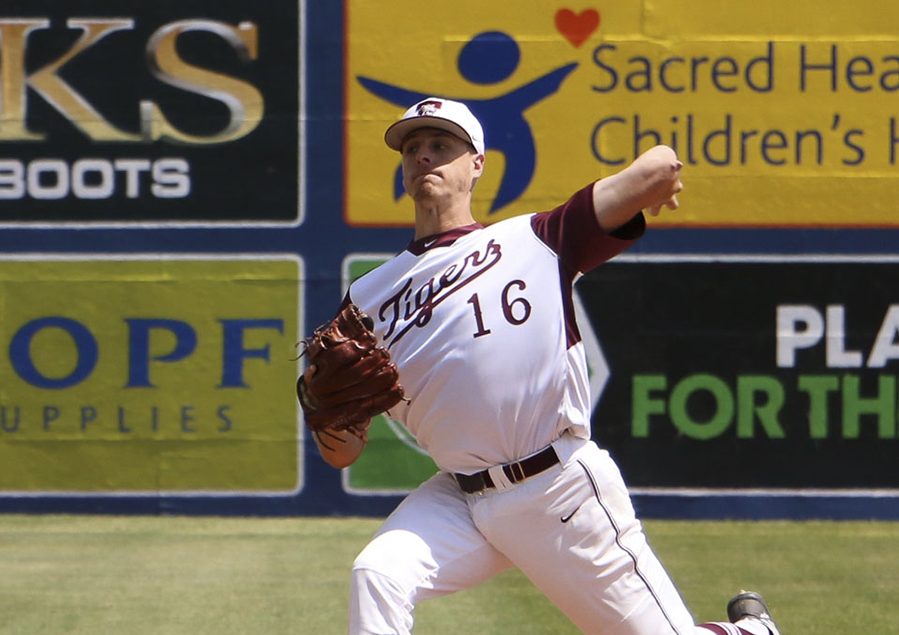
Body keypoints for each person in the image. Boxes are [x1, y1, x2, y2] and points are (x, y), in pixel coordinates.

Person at [312, 97, 782, 635]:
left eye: (441, 145)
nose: (424, 157)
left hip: (557, 486)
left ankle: (750, 632)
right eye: (412, 148)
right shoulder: (366, 299)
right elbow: (342, 452)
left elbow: (659, 165)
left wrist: (662, 178)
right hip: (461, 497)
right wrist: (329, 416)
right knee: (377, 573)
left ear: (477, 162)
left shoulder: (534, 239)